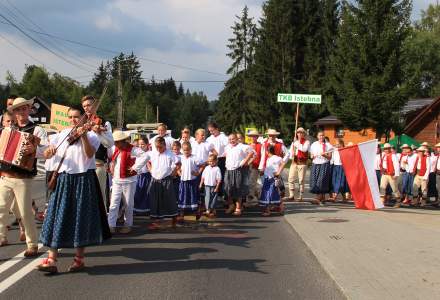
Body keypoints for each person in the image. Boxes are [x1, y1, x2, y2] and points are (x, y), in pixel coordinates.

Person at [38, 106, 111, 273]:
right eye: (70, 117)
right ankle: (51, 259)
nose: (73, 120)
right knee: (57, 216)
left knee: (80, 218)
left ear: (84, 118)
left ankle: (79, 259)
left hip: (83, 179)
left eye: (76, 117)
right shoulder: (61, 135)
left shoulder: (92, 135)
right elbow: (47, 153)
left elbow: (89, 154)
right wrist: (48, 152)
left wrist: (84, 135)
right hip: (63, 179)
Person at [0, 97, 47, 256]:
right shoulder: (7, 129)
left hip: (23, 177)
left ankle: (32, 244)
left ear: (29, 109)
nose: (21, 112)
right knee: (0, 209)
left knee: (26, 212)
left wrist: (33, 151)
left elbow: (46, 151)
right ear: (14, 112)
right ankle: (1, 237)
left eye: (24, 109)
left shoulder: (37, 130)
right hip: (5, 174)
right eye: (18, 110)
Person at [107, 131, 149, 234]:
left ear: (122, 141)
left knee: (128, 204)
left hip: (129, 180)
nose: (115, 144)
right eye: (115, 142)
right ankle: (111, 225)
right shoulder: (116, 149)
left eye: (117, 142)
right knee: (113, 204)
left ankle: (128, 224)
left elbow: (145, 156)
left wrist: (135, 167)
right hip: (116, 180)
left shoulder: (133, 149)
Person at [82, 95, 114, 211]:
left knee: (99, 196)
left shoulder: (104, 122)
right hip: (82, 164)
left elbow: (109, 143)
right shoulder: (81, 122)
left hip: (97, 164)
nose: (86, 108)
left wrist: (99, 133)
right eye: (84, 106)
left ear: (95, 106)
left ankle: (102, 225)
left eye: (89, 105)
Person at [148, 137, 180, 229]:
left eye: (160, 147)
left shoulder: (170, 154)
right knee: (155, 201)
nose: (158, 149)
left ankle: (174, 218)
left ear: (164, 145)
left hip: (166, 179)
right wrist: (151, 170)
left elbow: (178, 163)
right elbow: (148, 162)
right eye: (157, 147)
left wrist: (173, 173)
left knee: (169, 200)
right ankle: (156, 221)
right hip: (155, 179)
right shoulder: (153, 153)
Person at [224, 133, 254, 216]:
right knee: (228, 189)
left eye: (233, 139)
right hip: (229, 170)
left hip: (238, 170)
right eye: (230, 139)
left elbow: (252, 152)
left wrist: (245, 162)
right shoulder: (227, 147)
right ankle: (231, 205)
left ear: (237, 139)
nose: (231, 141)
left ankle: (238, 207)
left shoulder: (242, 146)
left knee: (238, 189)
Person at [259, 145, 287, 216]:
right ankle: (279, 208)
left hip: (273, 178)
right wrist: (263, 171)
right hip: (268, 178)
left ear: (267, 151)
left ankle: (270, 210)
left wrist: (278, 172)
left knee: (271, 193)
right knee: (270, 194)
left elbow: (283, 164)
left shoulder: (277, 158)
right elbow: (269, 168)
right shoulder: (269, 159)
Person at [178, 142, 203, 218]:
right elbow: (177, 166)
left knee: (193, 195)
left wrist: (198, 173)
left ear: (191, 150)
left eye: (188, 150)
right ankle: (182, 212)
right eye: (185, 150)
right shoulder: (180, 157)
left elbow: (202, 165)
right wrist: (179, 172)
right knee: (183, 195)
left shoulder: (194, 157)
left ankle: (195, 211)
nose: (186, 151)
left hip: (192, 181)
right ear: (182, 150)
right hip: (183, 180)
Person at [309, 131, 333, 205]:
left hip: (324, 164)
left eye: (322, 135)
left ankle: (318, 198)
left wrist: (324, 155)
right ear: (317, 136)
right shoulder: (314, 144)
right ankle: (322, 198)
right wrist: (312, 156)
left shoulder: (328, 145)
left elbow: (329, 157)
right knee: (315, 181)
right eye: (320, 135)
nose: (321, 137)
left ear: (324, 136)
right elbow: (311, 154)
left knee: (321, 181)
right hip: (315, 164)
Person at [287, 127, 310, 202]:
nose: (299, 134)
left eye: (301, 132)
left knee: (301, 180)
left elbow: (304, 149)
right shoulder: (294, 142)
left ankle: (300, 196)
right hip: (294, 162)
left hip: (302, 163)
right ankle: (291, 195)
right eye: (298, 132)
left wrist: (296, 143)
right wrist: (291, 156)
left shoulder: (306, 142)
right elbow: (290, 151)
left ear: (304, 134)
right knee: (291, 178)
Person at [206, 122, 229, 196]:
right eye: (210, 131)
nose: (211, 132)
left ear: (217, 129)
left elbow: (228, 148)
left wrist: (225, 154)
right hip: (211, 160)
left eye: (212, 130)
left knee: (220, 178)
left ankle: (221, 195)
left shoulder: (224, 137)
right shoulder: (209, 138)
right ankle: (215, 195)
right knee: (212, 178)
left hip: (221, 159)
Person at [133, 137, 152, 215]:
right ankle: (137, 210)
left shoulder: (150, 153)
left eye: (143, 144)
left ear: (147, 145)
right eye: (139, 144)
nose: (140, 146)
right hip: (138, 176)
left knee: (146, 193)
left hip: (147, 176)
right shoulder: (137, 153)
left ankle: (146, 210)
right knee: (138, 193)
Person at [199, 154, 222, 218]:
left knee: (214, 198)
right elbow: (203, 176)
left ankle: (213, 209)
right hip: (207, 186)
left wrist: (217, 187)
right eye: (209, 161)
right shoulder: (206, 168)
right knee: (207, 197)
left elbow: (219, 179)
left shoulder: (217, 168)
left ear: (216, 161)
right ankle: (208, 209)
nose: (211, 163)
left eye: (212, 161)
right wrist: (201, 183)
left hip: (214, 186)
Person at [380, 143, 401, 207]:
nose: (386, 150)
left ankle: (398, 201)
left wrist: (396, 174)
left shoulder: (393, 156)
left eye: (387, 149)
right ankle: (382, 201)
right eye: (385, 149)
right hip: (385, 173)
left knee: (394, 188)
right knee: (382, 187)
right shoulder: (384, 155)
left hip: (391, 174)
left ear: (390, 149)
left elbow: (397, 165)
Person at [247, 130, 262, 205]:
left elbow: (263, 156)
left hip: (258, 166)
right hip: (250, 166)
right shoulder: (248, 145)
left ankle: (254, 198)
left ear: (257, 137)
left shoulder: (261, 145)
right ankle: (255, 196)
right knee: (252, 183)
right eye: (252, 136)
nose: (253, 138)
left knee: (254, 183)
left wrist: (262, 167)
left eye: (255, 136)